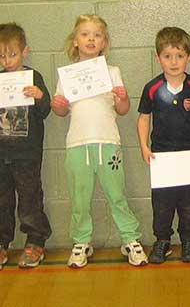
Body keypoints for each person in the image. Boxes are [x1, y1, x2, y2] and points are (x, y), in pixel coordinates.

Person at [51, 15, 148, 268]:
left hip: (108, 143)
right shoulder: (67, 76)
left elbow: (124, 109)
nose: (90, 38)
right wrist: (57, 105)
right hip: (77, 146)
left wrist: (123, 97)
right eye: (85, 34)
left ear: (104, 42)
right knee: (79, 198)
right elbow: (60, 110)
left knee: (116, 194)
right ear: (75, 41)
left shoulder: (112, 72)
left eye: (96, 34)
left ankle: (130, 239)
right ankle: (81, 241)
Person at [0, 23, 52, 271]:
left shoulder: (33, 77)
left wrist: (39, 95)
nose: (7, 60)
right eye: (1, 55)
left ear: (25, 52)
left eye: (12, 54)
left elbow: (45, 111)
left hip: (27, 153)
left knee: (30, 198)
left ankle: (35, 241)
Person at [138, 27, 190, 264]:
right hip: (162, 157)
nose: (174, 62)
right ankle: (162, 241)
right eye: (168, 56)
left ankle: (189, 241)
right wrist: (144, 146)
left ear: (188, 58)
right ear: (157, 57)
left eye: (180, 56)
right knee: (162, 204)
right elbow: (143, 118)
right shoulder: (152, 88)